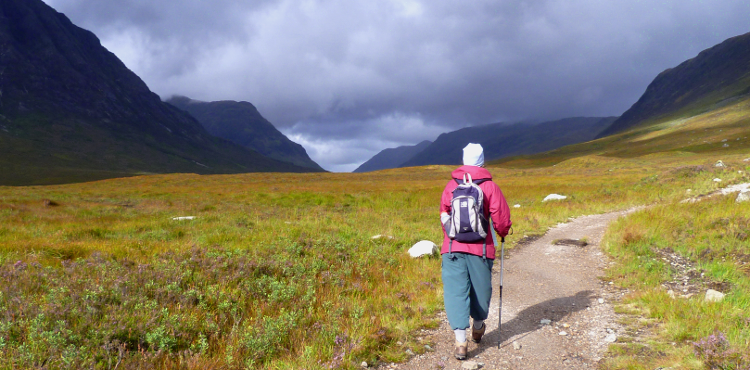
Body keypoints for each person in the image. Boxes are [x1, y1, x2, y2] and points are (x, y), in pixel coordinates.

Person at [439, 143, 512, 360]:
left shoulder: (450, 185)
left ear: (463, 159)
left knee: (455, 291)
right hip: (481, 249)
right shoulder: (490, 187)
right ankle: (478, 326)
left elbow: (444, 212)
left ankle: (461, 343)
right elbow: (501, 219)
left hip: (452, 248)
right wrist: (504, 232)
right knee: (481, 290)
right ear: (482, 161)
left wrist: (451, 234)